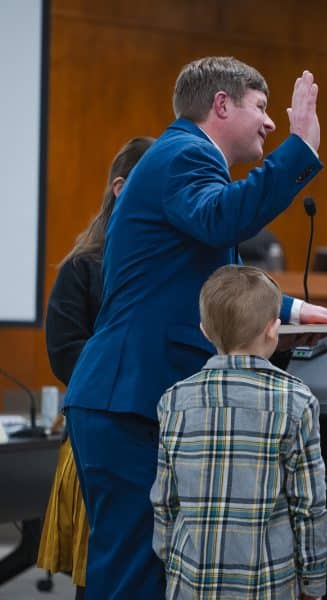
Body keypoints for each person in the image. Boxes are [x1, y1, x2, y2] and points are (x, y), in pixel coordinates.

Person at [63, 56, 327, 598]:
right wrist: (301, 148)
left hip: (130, 396)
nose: (270, 123)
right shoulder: (184, 155)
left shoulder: (183, 160)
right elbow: (226, 219)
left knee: (146, 568)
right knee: (133, 572)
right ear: (221, 105)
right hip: (127, 397)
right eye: (261, 107)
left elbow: (206, 277)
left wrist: (290, 312)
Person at [151, 265, 327, 599]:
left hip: (191, 581)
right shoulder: (296, 400)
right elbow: (308, 506)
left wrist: (172, 559)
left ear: (204, 331)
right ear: (274, 330)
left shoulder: (173, 401)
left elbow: (164, 502)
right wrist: (313, 581)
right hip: (267, 584)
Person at [37, 136, 155, 599]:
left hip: (157, 436)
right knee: (105, 572)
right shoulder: (82, 268)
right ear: (121, 189)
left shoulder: (163, 268)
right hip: (102, 436)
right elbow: (65, 353)